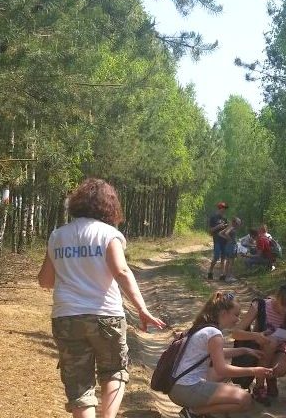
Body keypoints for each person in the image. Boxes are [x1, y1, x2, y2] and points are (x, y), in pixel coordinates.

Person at [37, 178, 166, 418]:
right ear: (109, 206)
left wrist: (71, 271)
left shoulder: (57, 236)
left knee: (79, 384)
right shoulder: (109, 234)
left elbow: (45, 280)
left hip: (66, 317)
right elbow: (121, 271)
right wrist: (142, 308)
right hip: (106, 315)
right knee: (114, 371)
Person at [168, 291, 275, 418]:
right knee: (245, 399)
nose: (238, 319)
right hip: (186, 389)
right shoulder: (214, 334)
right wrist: (255, 371)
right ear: (224, 313)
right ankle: (194, 412)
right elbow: (222, 369)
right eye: (236, 315)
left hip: (175, 387)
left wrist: (244, 350)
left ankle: (199, 409)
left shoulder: (204, 327)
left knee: (222, 379)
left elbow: (216, 353)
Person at [232, 284, 286, 406]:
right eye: (283, 305)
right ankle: (259, 387)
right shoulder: (260, 306)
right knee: (271, 342)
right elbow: (236, 333)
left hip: (279, 349)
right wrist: (256, 336)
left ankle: (270, 377)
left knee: (281, 368)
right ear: (277, 297)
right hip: (257, 348)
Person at [208, 202, 229, 280]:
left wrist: (226, 227)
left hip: (224, 241)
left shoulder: (225, 218)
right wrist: (218, 226)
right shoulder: (213, 217)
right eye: (224, 208)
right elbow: (210, 231)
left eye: (225, 208)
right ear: (220, 208)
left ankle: (222, 274)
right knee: (216, 257)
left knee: (223, 258)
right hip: (217, 240)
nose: (225, 210)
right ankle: (210, 271)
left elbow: (226, 230)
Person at [218, 217, 242, 283]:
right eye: (238, 223)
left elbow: (220, 233)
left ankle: (225, 276)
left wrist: (227, 239)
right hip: (232, 246)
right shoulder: (232, 227)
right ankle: (229, 277)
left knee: (228, 261)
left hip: (228, 245)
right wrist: (230, 239)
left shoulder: (229, 227)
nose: (239, 224)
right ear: (234, 223)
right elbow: (226, 233)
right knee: (231, 262)